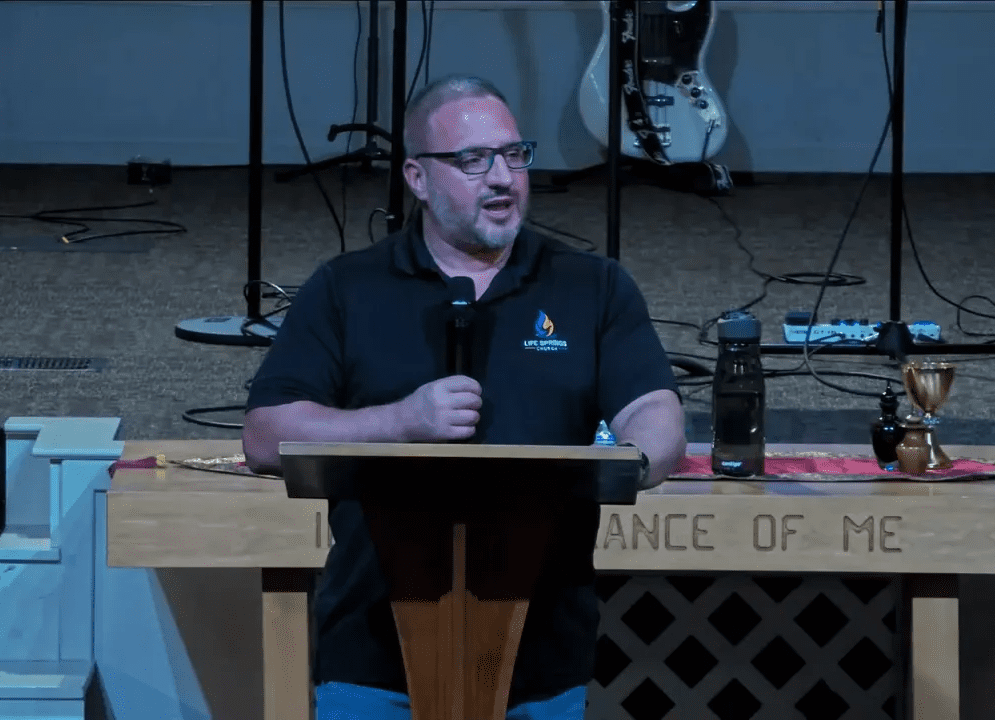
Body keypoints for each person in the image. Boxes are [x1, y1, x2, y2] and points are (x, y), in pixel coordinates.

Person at [242, 75, 685, 720]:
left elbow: (655, 410)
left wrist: (636, 461)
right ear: (417, 178)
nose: (502, 178)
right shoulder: (349, 287)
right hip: (373, 657)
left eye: (513, 155)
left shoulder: (590, 286)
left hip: (541, 660)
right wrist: (400, 421)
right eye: (473, 161)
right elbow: (264, 435)